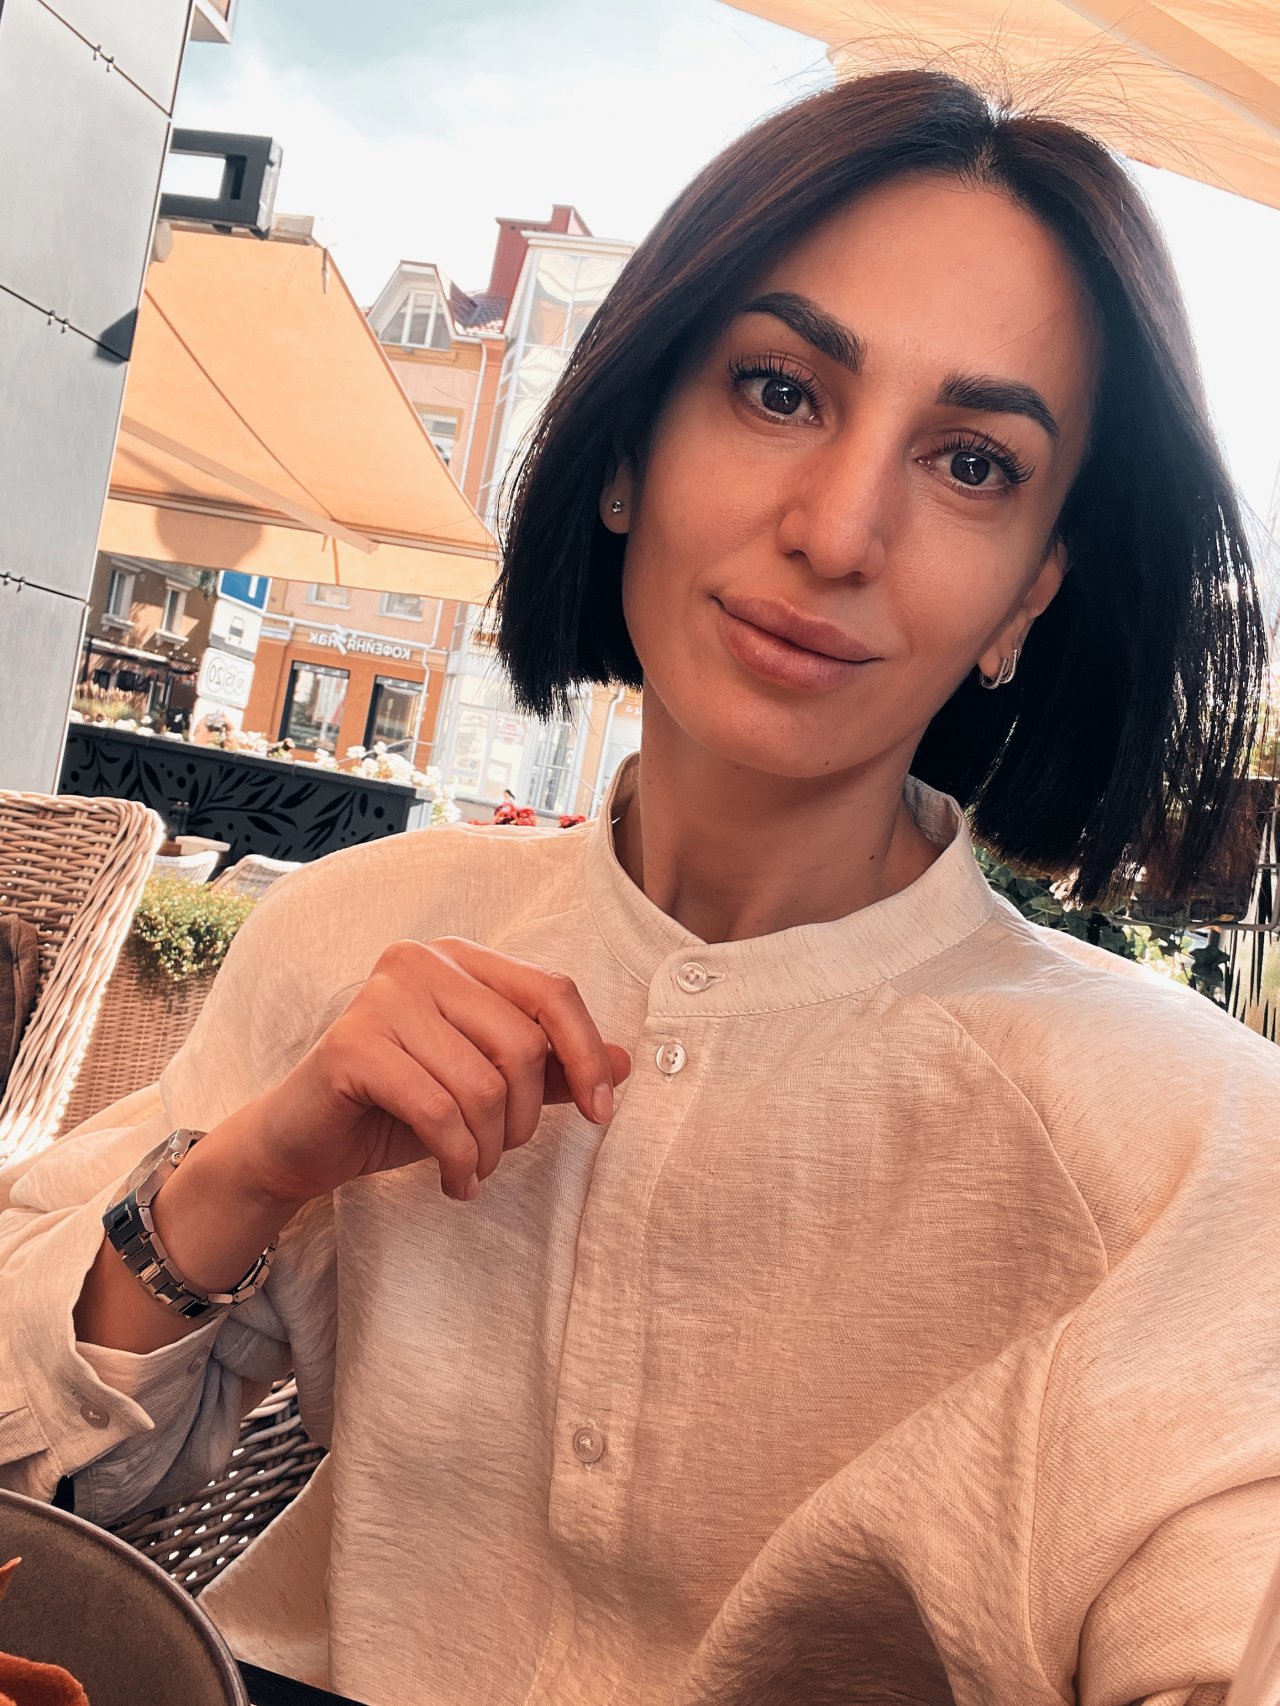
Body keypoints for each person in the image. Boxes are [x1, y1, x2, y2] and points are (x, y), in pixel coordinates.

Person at [2, 68, 1277, 1706]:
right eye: (779, 389)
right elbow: (46, 1493)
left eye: (973, 462)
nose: (839, 529)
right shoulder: (362, 933)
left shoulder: (1182, 1140)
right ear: (628, 452)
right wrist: (248, 1171)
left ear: (1034, 588)